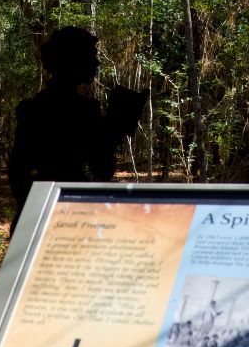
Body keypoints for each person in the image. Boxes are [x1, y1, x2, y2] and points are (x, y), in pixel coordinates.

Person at [8, 27, 146, 231]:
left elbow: (17, 170)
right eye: (91, 56)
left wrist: (31, 206)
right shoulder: (86, 111)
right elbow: (103, 169)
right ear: (73, 60)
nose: (97, 63)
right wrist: (115, 129)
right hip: (72, 211)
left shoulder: (32, 107)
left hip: (39, 208)